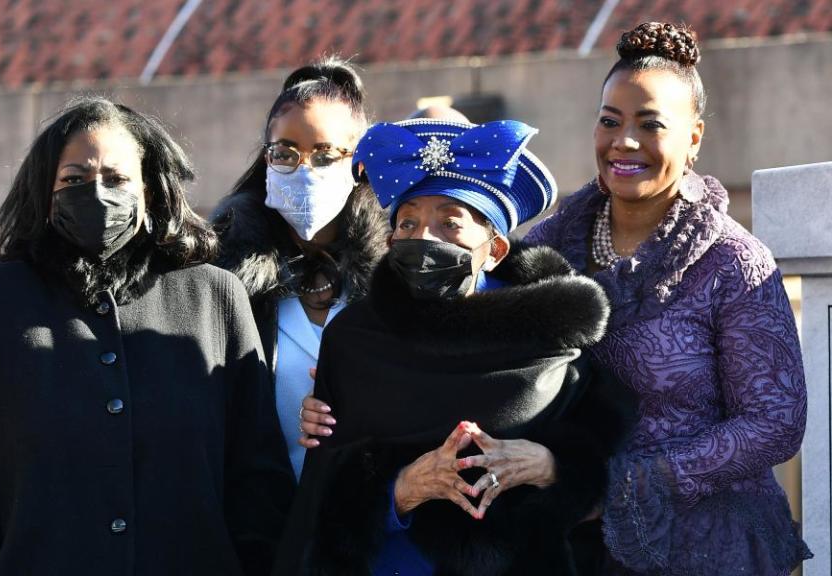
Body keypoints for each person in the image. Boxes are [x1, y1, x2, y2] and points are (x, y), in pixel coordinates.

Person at [0, 97, 293, 575]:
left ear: (150, 190)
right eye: (74, 179)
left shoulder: (215, 297)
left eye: (116, 179)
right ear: (45, 192)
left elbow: (257, 477)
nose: (96, 193)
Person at [276, 118, 634, 576]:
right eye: (408, 222)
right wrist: (402, 490)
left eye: (450, 223)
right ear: (390, 241)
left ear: (496, 249)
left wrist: (549, 465)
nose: (424, 238)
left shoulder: (551, 339)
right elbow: (322, 495)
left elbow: (603, 464)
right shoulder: (354, 340)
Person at [522, 22, 813, 575]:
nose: (623, 142)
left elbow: (775, 421)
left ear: (695, 137)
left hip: (705, 547)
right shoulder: (546, 247)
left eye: (650, 124)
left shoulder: (734, 261)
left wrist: (626, 482)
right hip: (563, 544)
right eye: (610, 121)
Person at [212, 58, 387, 482]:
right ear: (266, 159)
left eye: (326, 153)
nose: (304, 169)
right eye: (285, 153)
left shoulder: (391, 276)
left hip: (366, 515)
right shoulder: (222, 276)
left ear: (358, 163)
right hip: (255, 523)